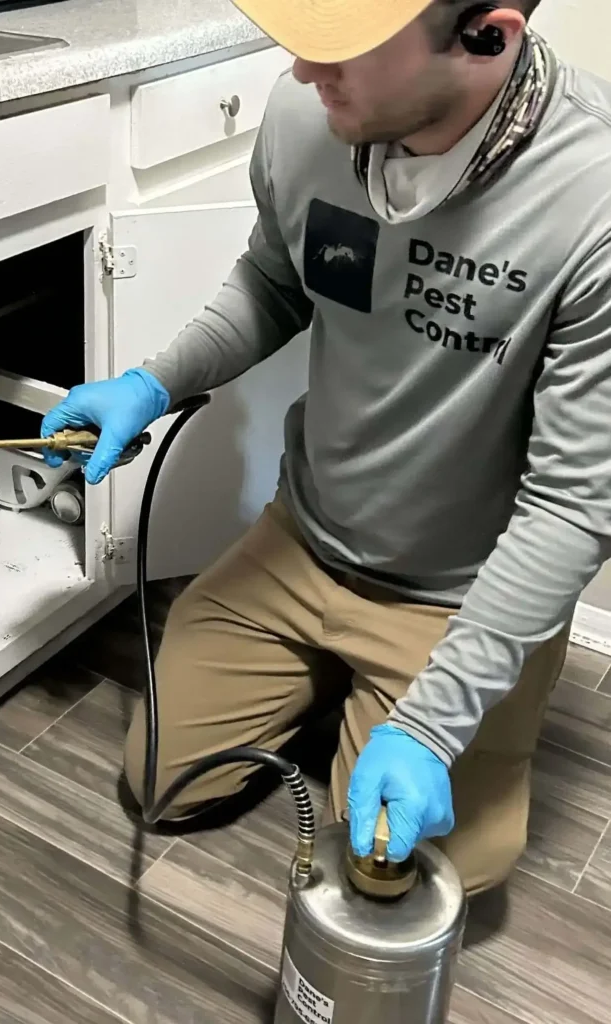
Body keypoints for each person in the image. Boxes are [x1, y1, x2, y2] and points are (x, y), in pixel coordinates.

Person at [41, 0, 611, 895]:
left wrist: (429, 727)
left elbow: (574, 504)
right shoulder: (311, 115)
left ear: (485, 34)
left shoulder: (594, 199)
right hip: (304, 540)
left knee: (396, 875)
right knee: (160, 785)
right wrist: (152, 381)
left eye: (341, 47)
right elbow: (276, 281)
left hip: (453, 593)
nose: (303, 73)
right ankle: (335, 689)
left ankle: (399, 708)